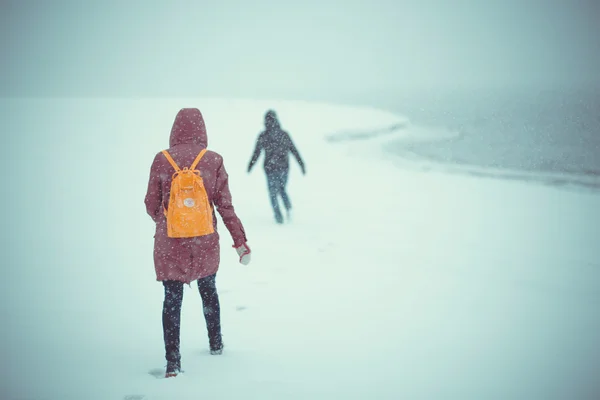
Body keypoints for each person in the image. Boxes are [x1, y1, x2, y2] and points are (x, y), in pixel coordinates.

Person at [144, 108, 251, 378]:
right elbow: (225, 206)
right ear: (202, 131)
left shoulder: (162, 159)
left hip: (169, 243)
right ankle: (215, 344)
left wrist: (169, 219)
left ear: (174, 130)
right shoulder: (212, 160)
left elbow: (150, 203)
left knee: (172, 299)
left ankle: (173, 362)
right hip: (205, 241)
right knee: (209, 290)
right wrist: (240, 242)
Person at [247, 110, 306, 224]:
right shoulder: (284, 134)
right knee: (281, 189)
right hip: (283, 168)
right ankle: (288, 209)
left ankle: (279, 217)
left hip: (271, 169)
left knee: (273, 193)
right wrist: (301, 164)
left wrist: (251, 165)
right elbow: (294, 150)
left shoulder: (264, 135)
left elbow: (256, 153)